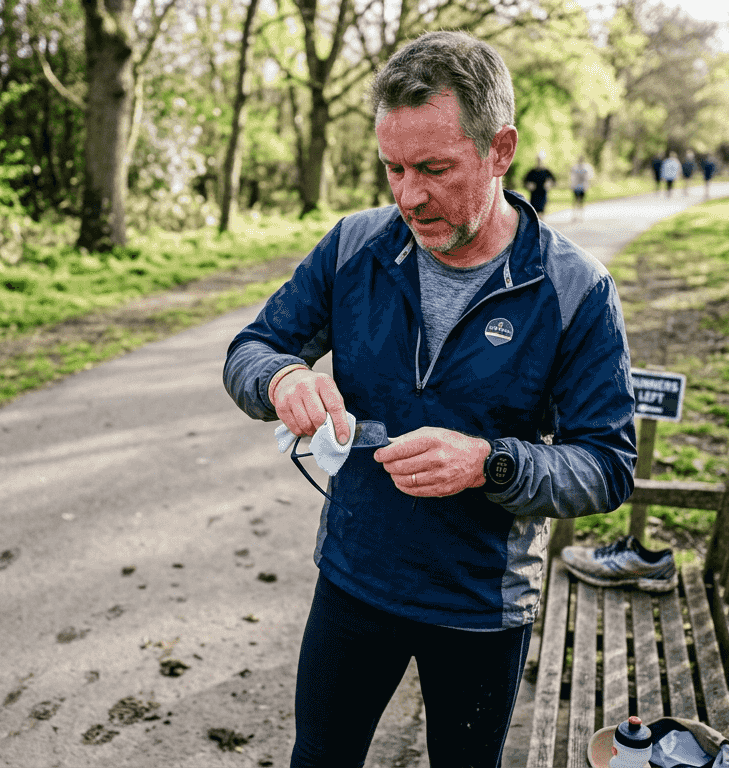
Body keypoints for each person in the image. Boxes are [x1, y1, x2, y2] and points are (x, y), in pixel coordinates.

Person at [222, 30, 637, 768]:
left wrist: (492, 465)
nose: (411, 195)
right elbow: (250, 350)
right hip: (354, 576)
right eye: (393, 168)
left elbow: (607, 466)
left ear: (499, 150)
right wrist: (283, 379)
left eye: (436, 168)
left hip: (481, 605)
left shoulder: (577, 290)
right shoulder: (354, 246)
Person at [570, 153, 595, 222]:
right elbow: (572, 177)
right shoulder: (575, 167)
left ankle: (580, 216)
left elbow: (590, 176)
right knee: (575, 201)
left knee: (581, 202)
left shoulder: (586, 167)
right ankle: (574, 215)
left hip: (582, 187)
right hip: (576, 187)